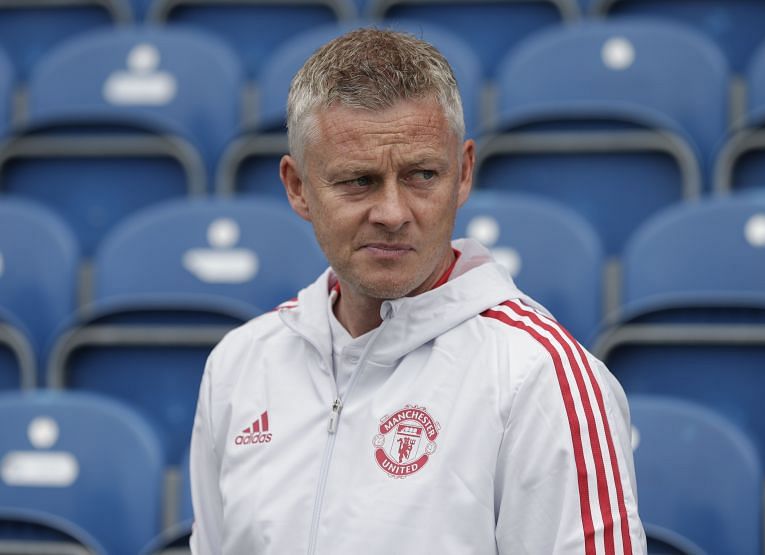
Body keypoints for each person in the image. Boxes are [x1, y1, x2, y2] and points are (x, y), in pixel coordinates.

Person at [189, 28, 646, 554]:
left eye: (422, 175)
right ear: (298, 187)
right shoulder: (241, 364)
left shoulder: (538, 377)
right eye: (357, 180)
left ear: (464, 172)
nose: (392, 213)